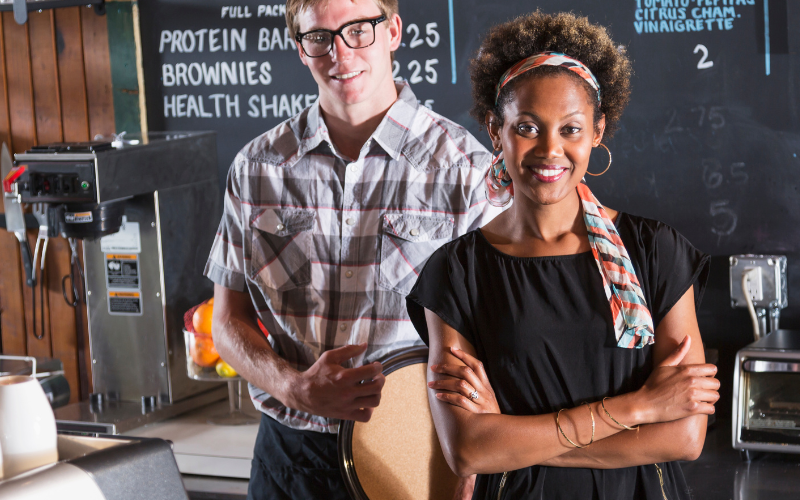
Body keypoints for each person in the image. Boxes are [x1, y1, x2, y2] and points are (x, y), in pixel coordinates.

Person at [406, 11, 720, 499]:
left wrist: (513, 437)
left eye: (571, 129)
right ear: (496, 130)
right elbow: (468, 450)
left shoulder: (655, 252)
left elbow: (684, 436)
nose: (550, 150)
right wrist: (639, 409)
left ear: (597, 131)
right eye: (528, 127)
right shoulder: (455, 274)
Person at [204, 0, 500, 498]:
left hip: (413, 454)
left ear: (394, 31)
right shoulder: (257, 167)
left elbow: (498, 338)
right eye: (319, 37)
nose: (340, 53)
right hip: (287, 460)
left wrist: (471, 460)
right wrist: (293, 386)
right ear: (300, 49)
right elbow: (226, 322)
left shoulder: (467, 171)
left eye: (358, 30)